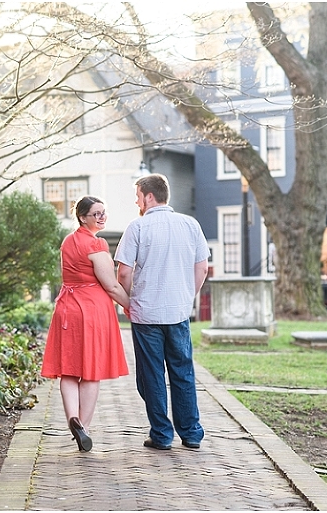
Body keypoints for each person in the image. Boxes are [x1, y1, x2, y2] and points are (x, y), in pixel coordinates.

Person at [115, 174, 209, 451]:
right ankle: (191, 433)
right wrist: (186, 295)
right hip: (178, 312)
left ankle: (162, 434)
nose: (137, 202)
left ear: (149, 197)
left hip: (146, 314)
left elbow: (123, 272)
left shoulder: (138, 227)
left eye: (138, 196)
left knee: (152, 374)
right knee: (183, 372)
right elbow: (202, 268)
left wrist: (128, 300)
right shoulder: (190, 224)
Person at [41, 195, 130, 452]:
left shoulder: (68, 242)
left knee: (69, 369)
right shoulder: (97, 244)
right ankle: (85, 427)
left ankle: (73, 419)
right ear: (82, 217)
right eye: (96, 214)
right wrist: (130, 304)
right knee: (91, 371)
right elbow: (111, 285)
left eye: (104, 212)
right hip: (90, 310)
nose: (102, 217)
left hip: (66, 308)